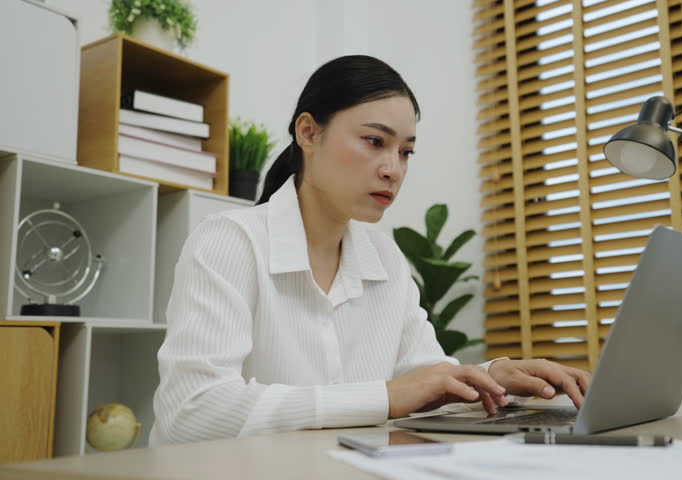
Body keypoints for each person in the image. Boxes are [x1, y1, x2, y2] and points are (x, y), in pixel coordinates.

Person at [150, 55, 591, 446]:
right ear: (308, 132)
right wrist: (386, 396)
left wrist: (493, 378)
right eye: (375, 142)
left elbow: (429, 383)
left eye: (406, 152)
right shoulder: (230, 241)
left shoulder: (385, 260)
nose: (393, 169)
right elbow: (192, 413)